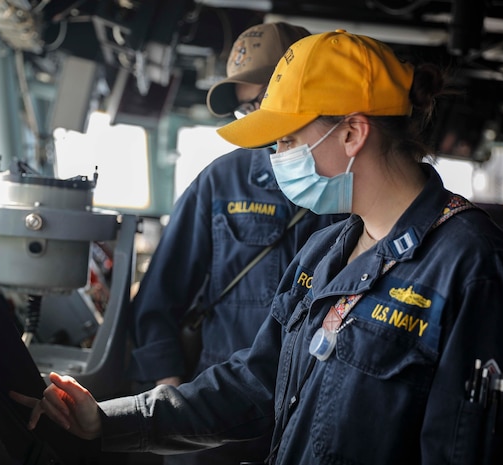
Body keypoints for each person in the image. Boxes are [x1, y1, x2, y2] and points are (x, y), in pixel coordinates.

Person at [11, 30, 503, 464]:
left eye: (288, 139)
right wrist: (108, 419)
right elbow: (255, 382)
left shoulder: (475, 270)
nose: (276, 156)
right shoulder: (325, 250)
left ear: (351, 134)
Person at [126, 21, 346, 465]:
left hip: (319, 417)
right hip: (219, 418)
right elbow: (158, 301)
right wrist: (171, 393)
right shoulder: (220, 183)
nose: (260, 124)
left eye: (262, 102)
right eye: (246, 112)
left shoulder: (353, 185)